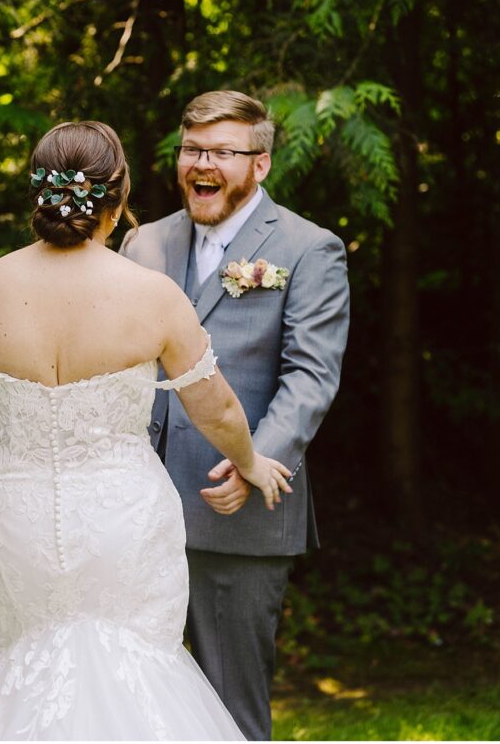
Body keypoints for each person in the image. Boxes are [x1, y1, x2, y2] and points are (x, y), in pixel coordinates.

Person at [0, 121, 293, 741]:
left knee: (16, 670)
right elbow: (213, 408)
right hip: (123, 519)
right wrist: (249, 459)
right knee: (135, 676)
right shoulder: (152, 295)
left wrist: (30, 456)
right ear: (120, 194)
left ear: (38, 193)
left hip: (15, 511)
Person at [120, 90, 350, 741]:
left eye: (222, 151)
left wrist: (255, 463)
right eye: (193, 149)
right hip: (135, 510)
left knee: (230, 709)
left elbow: (311, 375)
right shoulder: (143, 244)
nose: (203, 163)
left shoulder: (309, 249)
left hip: (238, 509)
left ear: (260, 164)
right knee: (129, 697)